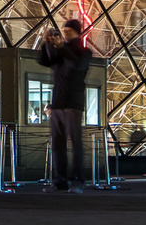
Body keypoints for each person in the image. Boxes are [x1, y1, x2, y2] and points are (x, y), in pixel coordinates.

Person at [38, 18, 92, 193]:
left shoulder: (84, 52)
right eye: (63, 31)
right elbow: (43, 60)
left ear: (78, 32)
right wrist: (46, 43)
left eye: (68, 31)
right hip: (58, 103)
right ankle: (60, 181)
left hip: (73, 104)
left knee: (75, 143)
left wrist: (60, 47)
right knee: (58, 145)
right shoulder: (61, 51)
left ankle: (78, 181)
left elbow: (75, 65)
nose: (65, 34)